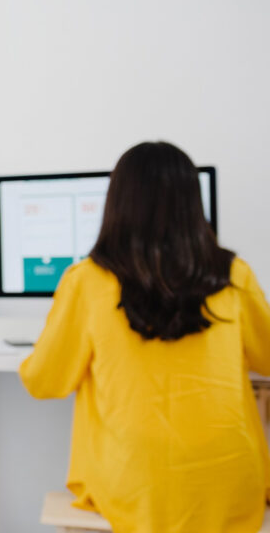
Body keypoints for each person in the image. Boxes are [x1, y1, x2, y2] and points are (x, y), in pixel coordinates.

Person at [20, 141, 270, 533]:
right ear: (193, 205)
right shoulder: (234, 275)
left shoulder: (86, 281)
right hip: (232, 488)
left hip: (134, 488)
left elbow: (44, 382)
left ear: (116, 204)